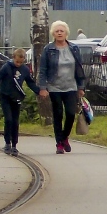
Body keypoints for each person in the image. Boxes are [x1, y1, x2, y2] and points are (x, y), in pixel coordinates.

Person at [38, 19, 87, 154]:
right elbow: (43, 70)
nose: (59, 33)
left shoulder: (74, 48)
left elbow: (79, 68)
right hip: (55, 87)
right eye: (57, 31)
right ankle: (59, 143)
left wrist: (81, 87)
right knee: (58, 114)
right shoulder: (48, 49)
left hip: (71, 87)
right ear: (53, 34)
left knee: (71, 113)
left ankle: (65, 137)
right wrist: (43, 87)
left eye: (62, 31)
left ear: (66, 33)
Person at [0, 48, 39, 156]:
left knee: (15, 121)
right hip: (5, 96)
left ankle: (14, 144)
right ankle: (7, 143)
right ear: (13, 58)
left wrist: (39, 91)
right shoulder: (6, 67)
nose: (18, 64)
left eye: (21, 62)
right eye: (17, 61)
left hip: (17, 97)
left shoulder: (24, 70)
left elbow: (30, 82)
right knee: (8, 119)